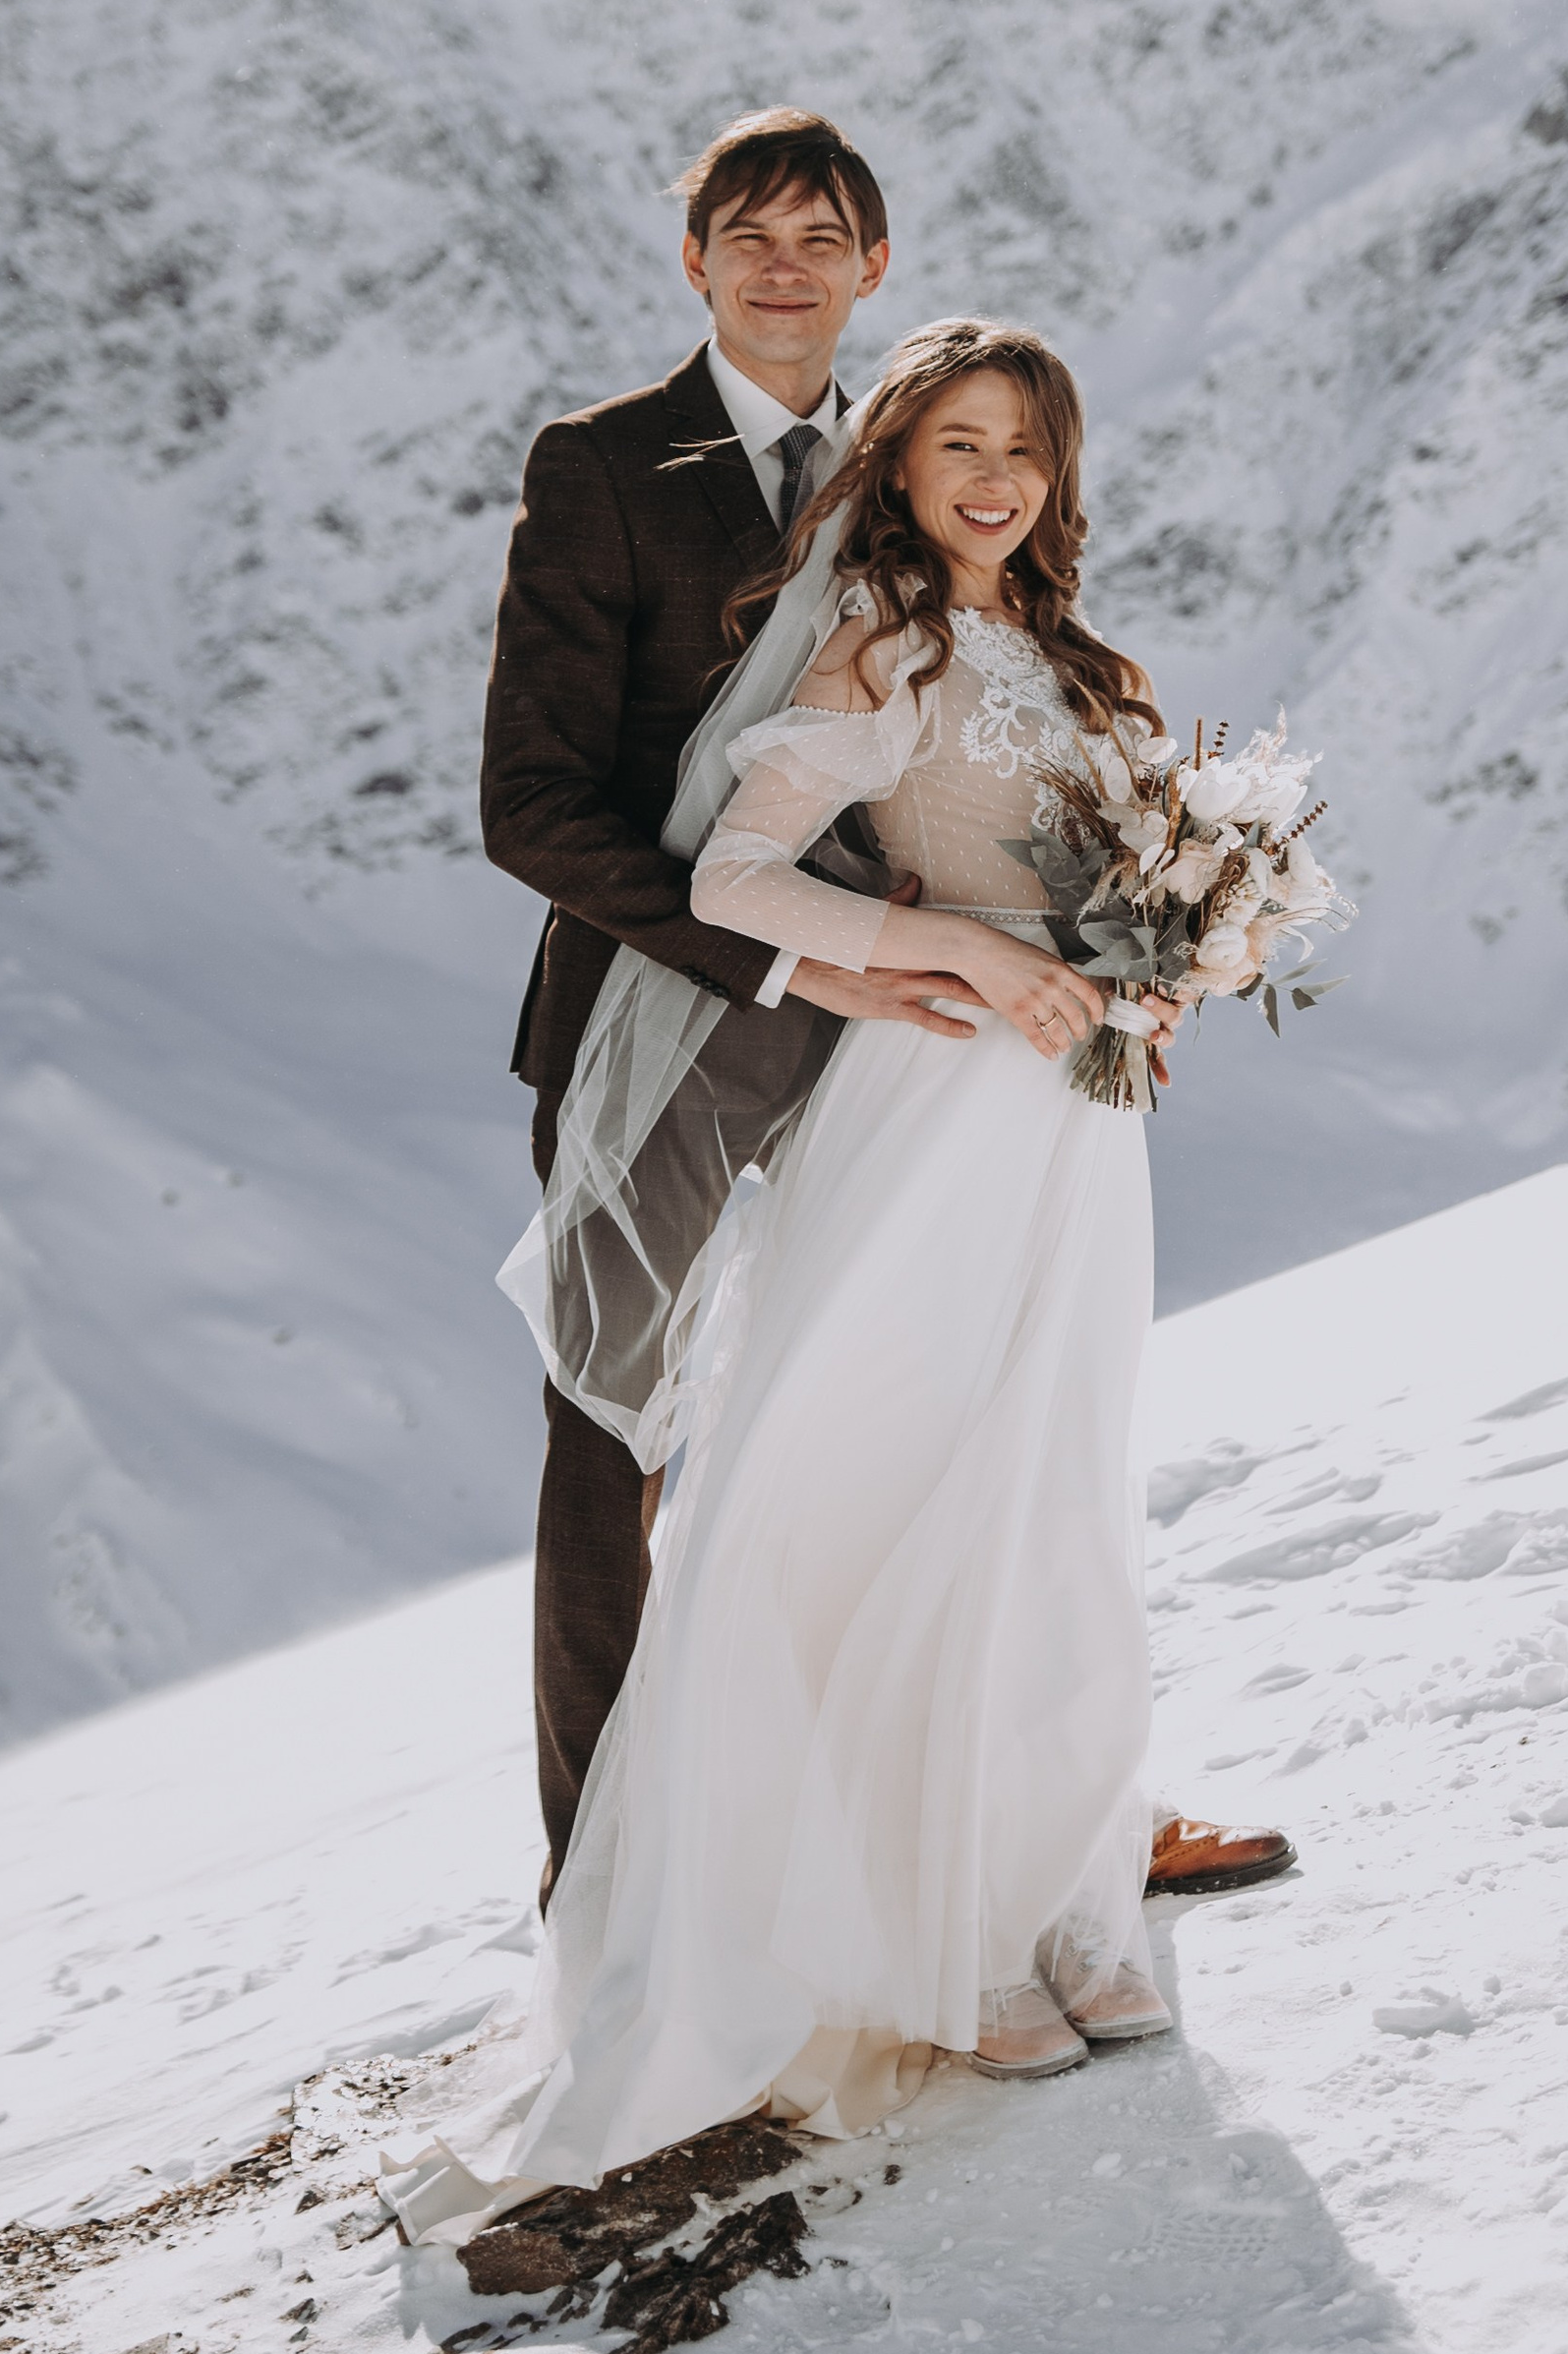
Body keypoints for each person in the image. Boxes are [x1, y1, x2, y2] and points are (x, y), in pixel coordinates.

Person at [499, 318, 1240, 2191]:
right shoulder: (880, 642)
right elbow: (739, 875)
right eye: (959, 443)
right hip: (928, 1121)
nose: (995, 476)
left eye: (1027, 447)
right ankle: (945, 1943)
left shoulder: (1072, 658)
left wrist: (1181, 968)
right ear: (898, 465)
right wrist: (958, 964)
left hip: (1078, 1136)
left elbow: (1130, 885)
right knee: (901, 1493)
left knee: (1055, 1492)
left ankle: (1062, 1894)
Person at [482, 113, 987, 1904]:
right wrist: (775, 954)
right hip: (650, 1019)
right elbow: (531, 808)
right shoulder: (605, 464)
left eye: (825, 238)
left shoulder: (914, 458)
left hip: (888, 1031)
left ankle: (933, 1832)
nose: (788, 267)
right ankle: (609, 1885)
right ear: (692, 260)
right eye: (751, 236)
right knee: (613, 1432)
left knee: (892, 1403)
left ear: (874, 269)